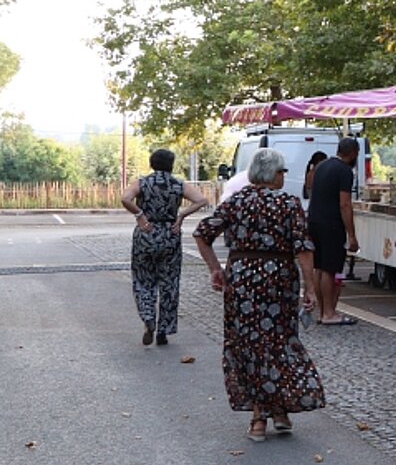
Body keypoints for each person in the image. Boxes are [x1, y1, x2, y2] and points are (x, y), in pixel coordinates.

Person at [193, 148, 324, 442]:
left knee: (249, 345)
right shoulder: (289, 204)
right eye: (282, 172)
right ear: (273, 174)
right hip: (279, 279)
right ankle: (272, 413)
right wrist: (310, 287)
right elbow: (303, 248)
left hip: (243, 280)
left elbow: (202, 234)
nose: (284, 177)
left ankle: (261, 417)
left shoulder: (236, 202)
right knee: (279, 343)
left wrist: (216, 269)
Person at [121, 148, 208, 346]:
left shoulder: (142, 183)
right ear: (171, 164)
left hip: (146, 233)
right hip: (170, 234)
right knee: (169, 283)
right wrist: (181, 215)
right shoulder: (178, 184)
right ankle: (164, 331)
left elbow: (125, 198)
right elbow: (202, 200)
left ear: (152, 163)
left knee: (143, 280)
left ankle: (148, 316)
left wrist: (139, 215)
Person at [308, 137, 361, 325]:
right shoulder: (345, 171)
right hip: (331, 224)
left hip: (314, 221)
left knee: (320, 267)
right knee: (331, 269)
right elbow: (345, 204)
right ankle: (330, 313)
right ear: (354, 153)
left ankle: (323, 311)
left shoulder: (322, 166)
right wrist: (352, 235)